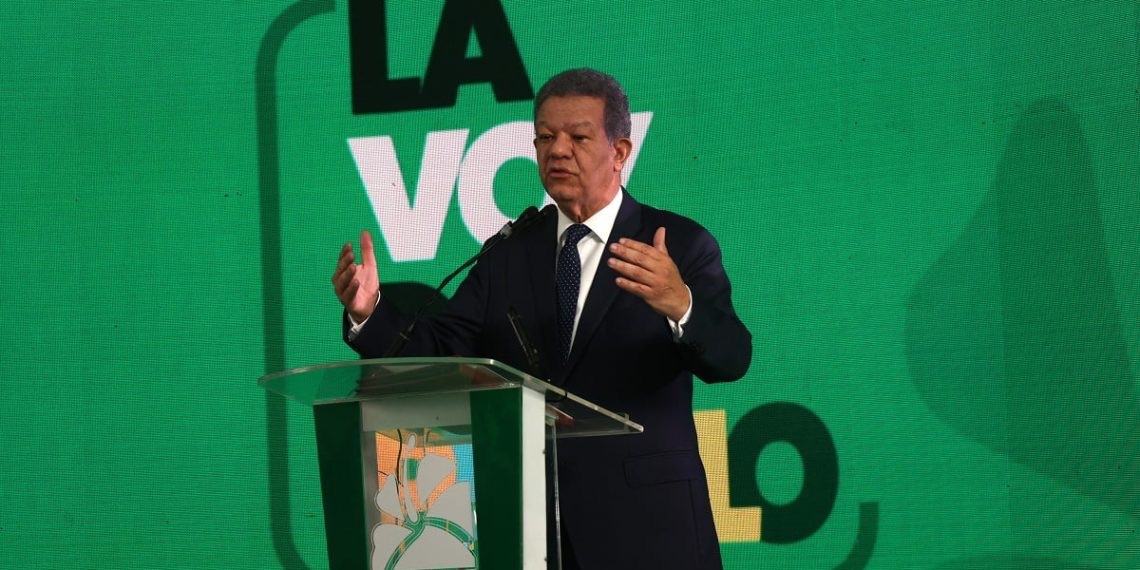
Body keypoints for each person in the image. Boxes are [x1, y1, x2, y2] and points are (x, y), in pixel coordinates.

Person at [332, 68, 752, 569]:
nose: (558, 151)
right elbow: (443, 349)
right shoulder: (509, 253)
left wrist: (681, 304)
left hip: (649, 526)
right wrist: (369, 312)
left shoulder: (677, 244)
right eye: (545, 138)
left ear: (620, 151)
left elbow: (732, 357)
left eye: (578, 137)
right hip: (536, 528)